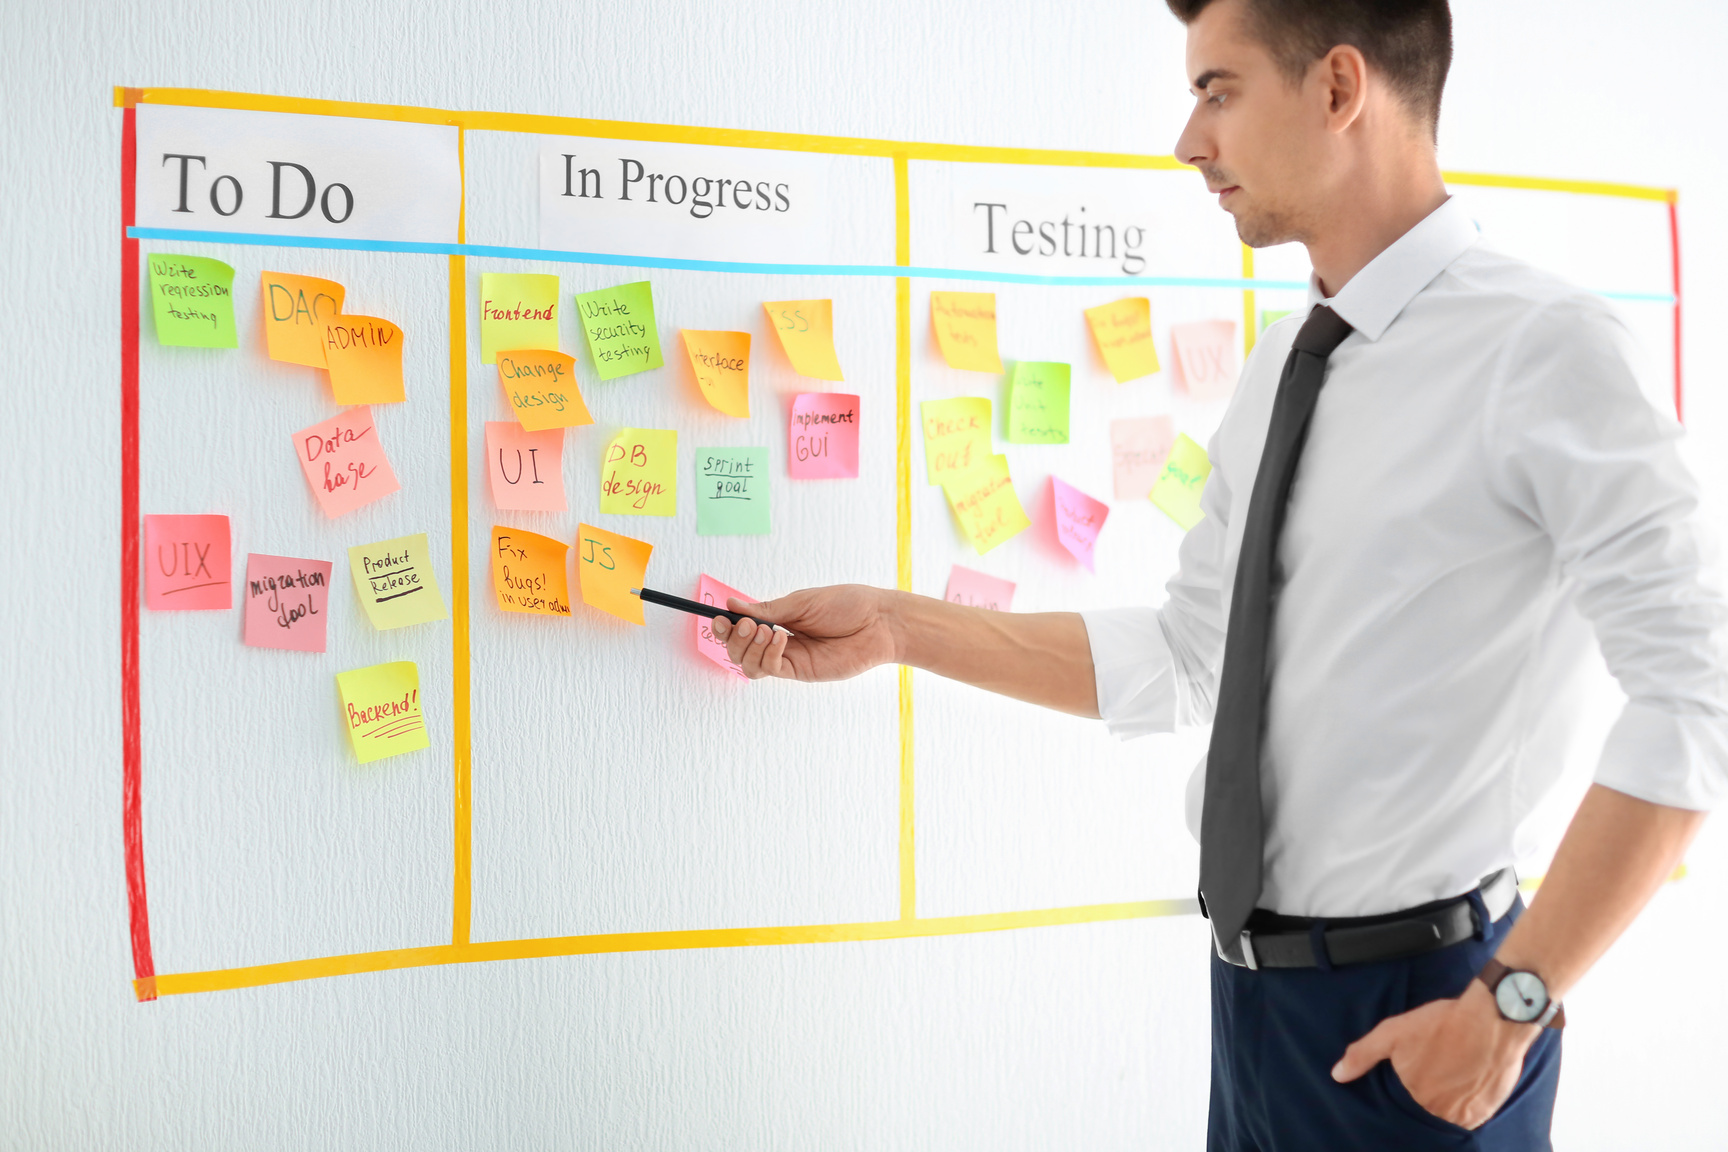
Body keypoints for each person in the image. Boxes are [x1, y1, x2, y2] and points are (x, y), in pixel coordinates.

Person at [709, 0, 1727, 1146]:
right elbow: (1195, 655)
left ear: (1339, 89)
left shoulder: (1545, 349)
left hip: (1431, 1012)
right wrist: (896, 626)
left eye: (1218, 90)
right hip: (1252, 1003)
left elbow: (1697, 701)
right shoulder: (1288, 367)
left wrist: (1514, 1008)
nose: (1190, 141)